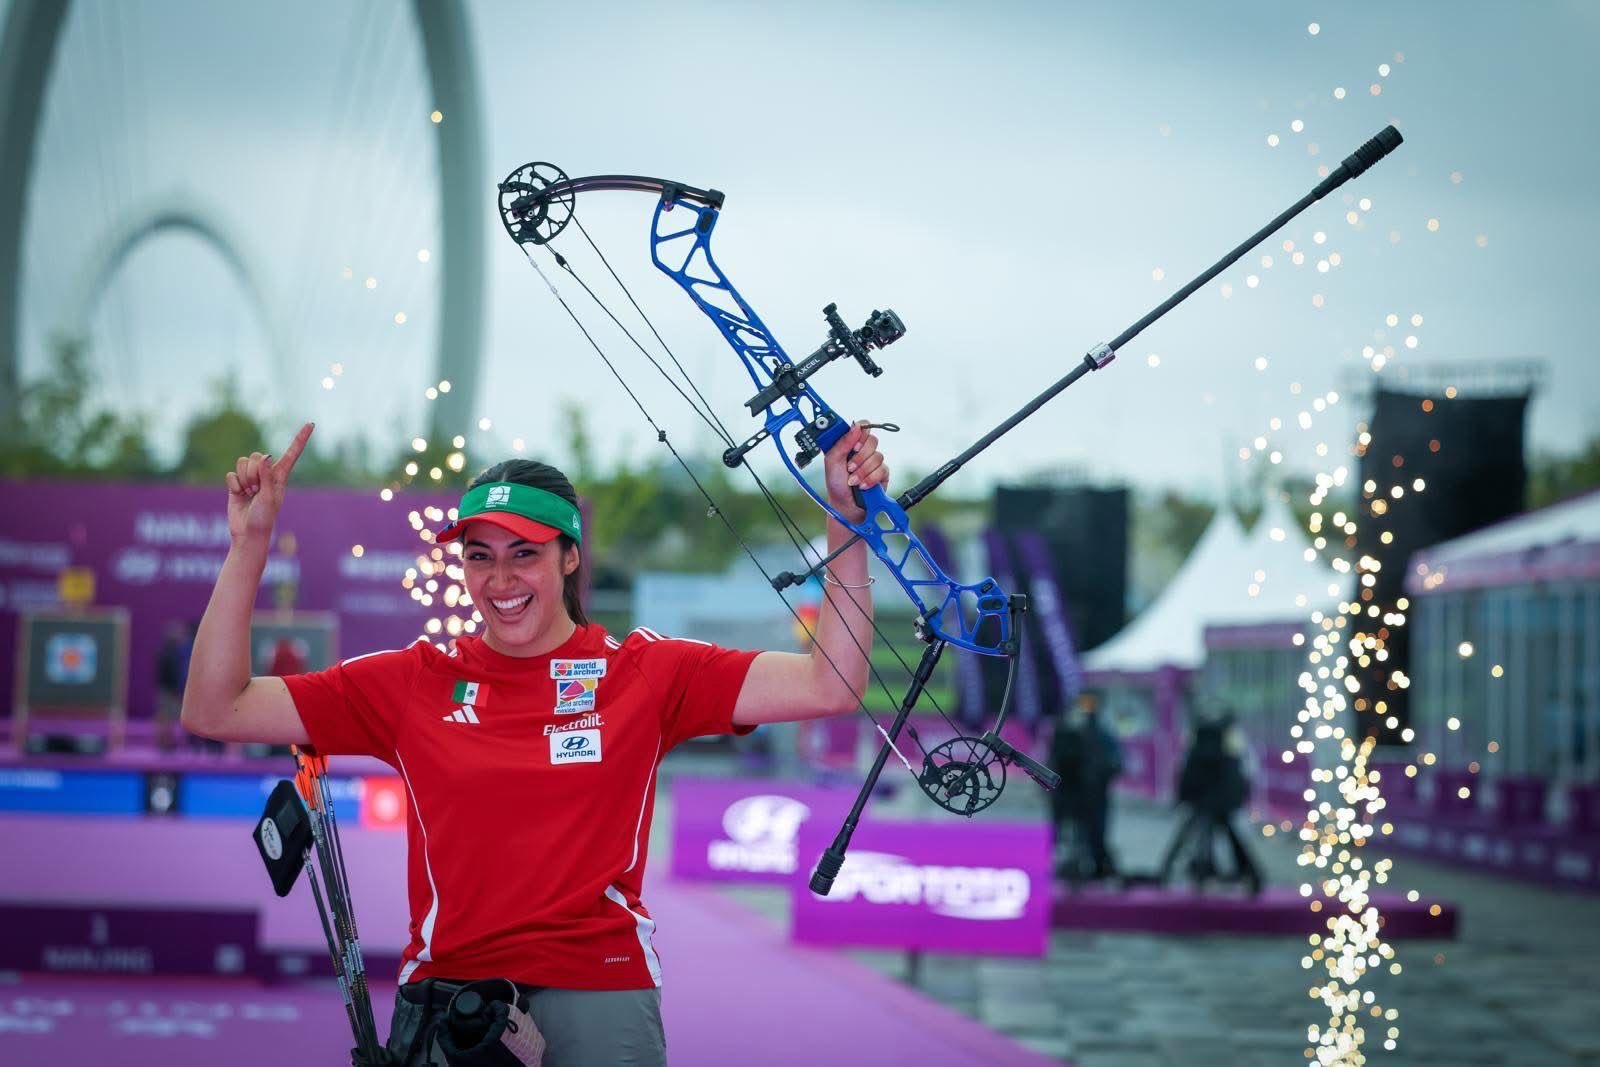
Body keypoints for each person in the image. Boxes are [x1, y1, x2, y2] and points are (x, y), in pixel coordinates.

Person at [181, 420, 889, 1066]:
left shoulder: (644, 669)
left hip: (601, 987)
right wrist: (250, 544)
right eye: (480, 555)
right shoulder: (415, 681)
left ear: (571, 557)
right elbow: (219, 707)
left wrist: (845, 523)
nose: (500, 579)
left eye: (525, 553)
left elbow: (830, 684)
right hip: (453, 995)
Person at [1157, 713, 1262, 894]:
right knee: (1233, 841)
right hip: (1221, 804)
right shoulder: (1229, 752)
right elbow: (1237, 782)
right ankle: (1249, 875)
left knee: (1196, 839)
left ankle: (1194, 874)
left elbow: (1187, 780)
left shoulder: (1197, 752)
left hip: (1202, 804)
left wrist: (1182, 799)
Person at [1048, 691, 1123, 882]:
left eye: (1091, 704)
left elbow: (1115, 761)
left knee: (1095, 833)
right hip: (1067, 792)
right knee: (1060, 833)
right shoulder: (1064, 730)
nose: (1087, 709)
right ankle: (1064, 864)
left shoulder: (1101, 733)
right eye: (1084, 703)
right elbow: (1053, 760)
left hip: (1093, 793)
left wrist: (1103, 774)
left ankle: (1097, 866)